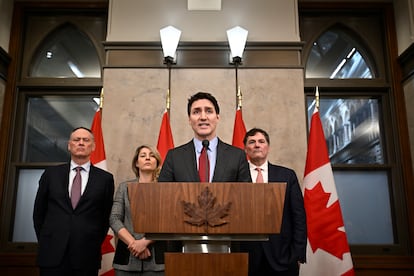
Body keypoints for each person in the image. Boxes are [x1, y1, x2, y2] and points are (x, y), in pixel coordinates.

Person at [33, 127, 115, 276]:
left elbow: (105, 217)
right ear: (69, 145)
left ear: (93, 146)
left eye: (86, 140)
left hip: (86, 254)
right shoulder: (51, 174)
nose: (81, 143)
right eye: (77, 140)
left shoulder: (105, 179)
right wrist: (48, 239)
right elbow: (39, 212)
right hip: (52, 253)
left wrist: (91, 239)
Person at [240, 127, 307, 276]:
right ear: (245, 149)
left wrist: (297, 254)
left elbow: (298, 217)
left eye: (261, 141)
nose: (257, 145)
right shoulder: (236, 176)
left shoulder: (287, 176)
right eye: (252, 142)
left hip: (282, 257)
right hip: (246, 257)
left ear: (268, 147)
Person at [158, 91, 251, 183]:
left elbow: (246, 194)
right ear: (189, 120)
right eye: (196, 112)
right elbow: (163, 194)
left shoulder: (237, 156)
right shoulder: (174, 157)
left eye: (209, 111)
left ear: (217, 117)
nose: (203, 117)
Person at [110, 144, 165, 275]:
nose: (147, 158)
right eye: (143, 156)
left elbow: (168, 221)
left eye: (152, 156)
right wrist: (134, 244)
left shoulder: (165, 189)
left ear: (157, 162)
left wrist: (145, 242)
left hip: (157, 260)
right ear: (136, 163)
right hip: (126, 258)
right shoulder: (124, 187)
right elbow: (114, 219)